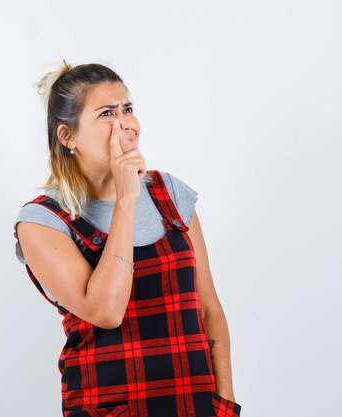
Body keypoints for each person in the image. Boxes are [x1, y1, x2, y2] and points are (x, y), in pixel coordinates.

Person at [13, 59, 242, 417]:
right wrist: (126, 199)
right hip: (107, 408)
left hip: (195, 407)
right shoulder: (43, 221)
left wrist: (225, 403)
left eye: (128, 109)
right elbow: (106, 311)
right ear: (67, 136)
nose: (125, 124)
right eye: (106, 113)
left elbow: (209, 307)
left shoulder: (171, 194)